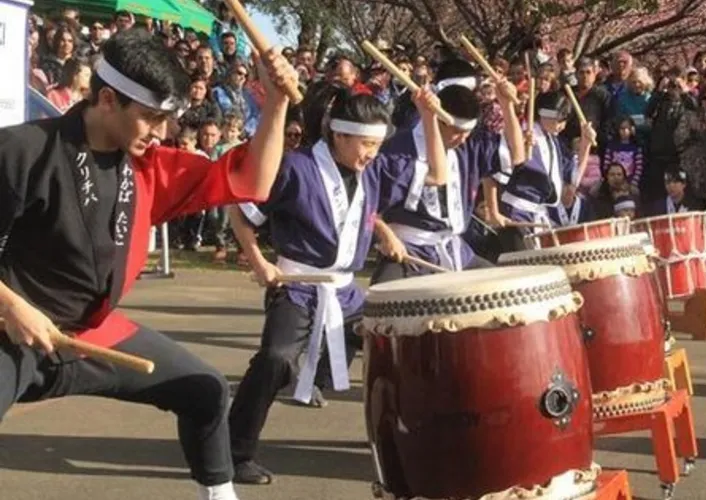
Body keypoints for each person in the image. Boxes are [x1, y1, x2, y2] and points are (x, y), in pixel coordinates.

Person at [0, 29, 296, 500]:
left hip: (89, 336)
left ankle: (219, 494)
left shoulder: (149, 167)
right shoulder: (22, 150)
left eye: (166, 119)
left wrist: (277, 105)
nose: (161, 132)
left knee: (204, 389)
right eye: (151, 117)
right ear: (107, 99)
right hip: (11, 332)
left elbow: (253, 181)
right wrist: (12, 307)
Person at [225, 88, 448, 485]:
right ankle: (233, 450)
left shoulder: (373, 171)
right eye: (367, 144)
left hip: (346, 293)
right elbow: (240, 209)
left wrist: (428, 116)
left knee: (402, 346)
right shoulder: (295, 167)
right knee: (275, 360)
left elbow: (437, 173)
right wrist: (259, 261)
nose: (373, 154)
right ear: (339, 136)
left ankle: (405, 440)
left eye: (378, 145)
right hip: (297, 286)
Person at [370, 60, 525, 283]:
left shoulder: (468, 145)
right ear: (439, 121)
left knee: (507, 290)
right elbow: (366, 204)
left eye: (467, 132)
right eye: (457, 131)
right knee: (382, 302)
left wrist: (506, 104)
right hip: (409, 251)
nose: (463, 138)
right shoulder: (399, 149)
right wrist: (386, 235)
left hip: (456, 251)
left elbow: (517, 155)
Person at [485, 90, 597, 252]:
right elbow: (491, 173)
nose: (563, 125)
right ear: (545, 115)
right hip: (516, 211)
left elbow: (573, 181)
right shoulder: (523, 135)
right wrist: (493, 211)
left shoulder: (553, 140)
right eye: (560, 120)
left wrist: (585, 144)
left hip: (539, 214)